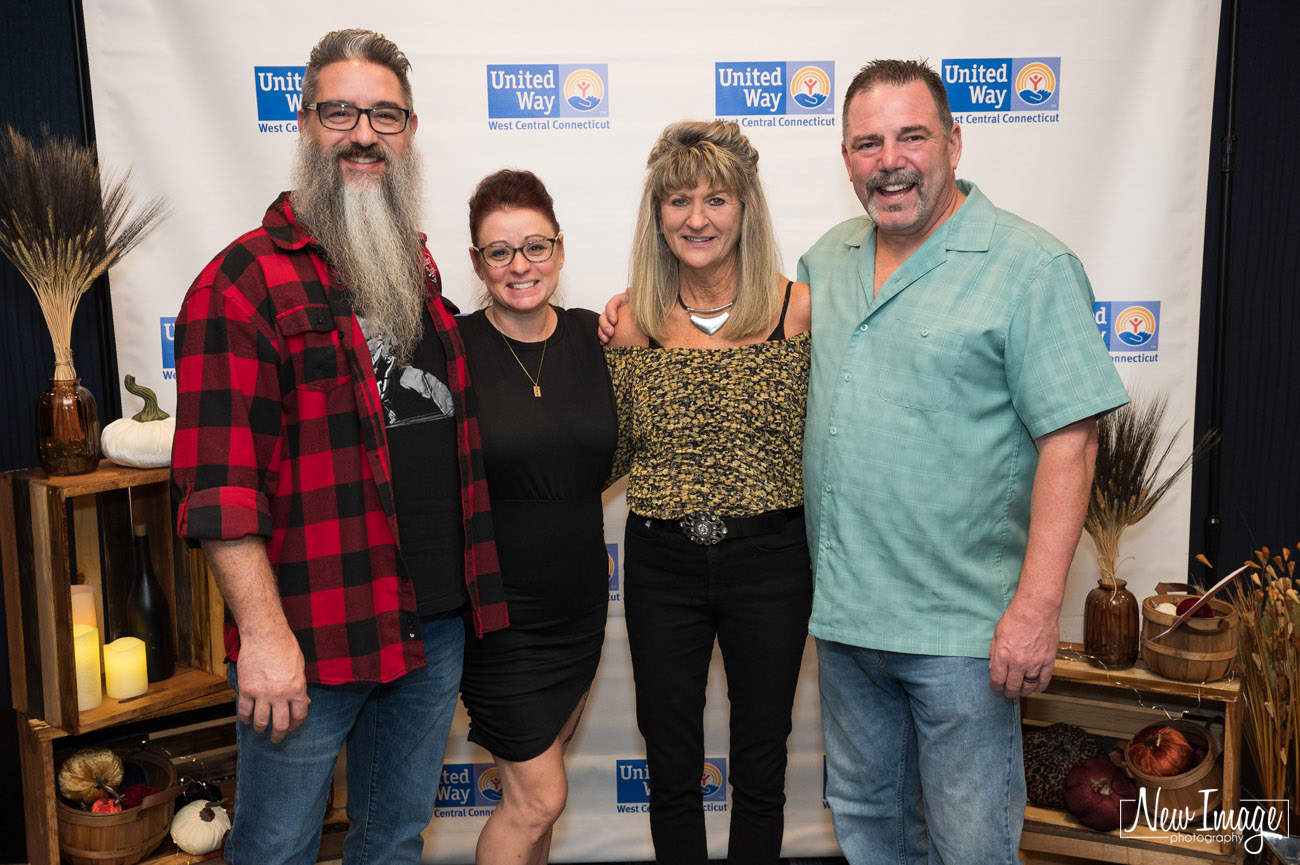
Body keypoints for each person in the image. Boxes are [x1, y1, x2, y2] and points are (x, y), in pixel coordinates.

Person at [170, 29, 507, 865]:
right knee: (277, 847)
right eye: (341, 111)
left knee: (394, 837)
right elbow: (220, 487)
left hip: (430, 628)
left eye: (384, 114)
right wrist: (265, 638)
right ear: (307, 121)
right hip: (311, 637)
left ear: (411, 128)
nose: (364, 133)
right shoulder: (241, 282)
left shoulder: (416, 266)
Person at [799, 60, 1129, 865]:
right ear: (845, 158)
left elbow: (1071, 442)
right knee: (872, 832)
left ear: (953, 141)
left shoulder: (1031, 267)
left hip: (965, 636)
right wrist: (635, 312)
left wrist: (1037, 607)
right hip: (846, 625)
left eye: (912, 135)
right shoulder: (828, 258)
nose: (890, 160)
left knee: (971, 845)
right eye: (868, 143)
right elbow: (736, 322)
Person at [605, 119, 813, 865]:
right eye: (679, 200)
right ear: (656, 214)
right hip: (663, 562)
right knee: (670, 764)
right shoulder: (630, 323)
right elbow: (613, 452)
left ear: (746, 208)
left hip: (773, 560)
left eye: (717, 199)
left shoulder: (798, 312)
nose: (697, 218)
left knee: (761, 761)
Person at [456, 169, 617, 865]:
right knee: (537, 798)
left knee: (535, 806)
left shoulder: (599, 338)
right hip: (497, 616)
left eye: (535, 245)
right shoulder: (451, 351)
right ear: (476, 262)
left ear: (559, 247)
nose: (520, 264)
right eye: (499, 251)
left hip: (578, 609)